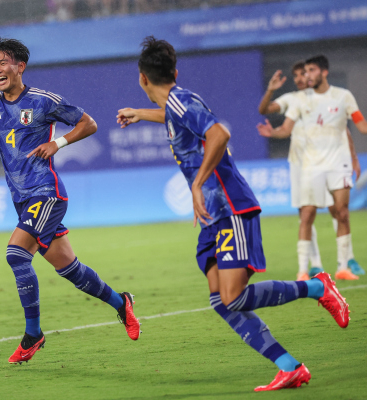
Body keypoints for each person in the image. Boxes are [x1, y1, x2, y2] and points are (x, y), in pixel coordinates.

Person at [116, 37, 350, 392]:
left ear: (142, 78)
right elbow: (175, 115)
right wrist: (140, 113)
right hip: (214, 215)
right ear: (173, 73)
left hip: (230, 207)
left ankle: (318, 287)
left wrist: (197, 184)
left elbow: (219, 133)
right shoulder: (178, 102)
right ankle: (289, 367)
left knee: (234, 297)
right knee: (220, 300)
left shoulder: (181, 101)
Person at [0, 37, 140, 364]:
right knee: (70, 270)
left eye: (2, 62)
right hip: (23, 201)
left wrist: (58, 142)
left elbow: (88, 123)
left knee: (16, 254)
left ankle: (34, 334)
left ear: (20, 66)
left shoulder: (43, 101)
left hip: (47, 194)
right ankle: (122, 303)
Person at [257, 55, 367, 281]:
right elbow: (285, 128)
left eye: (310, 70)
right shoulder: (298, 99)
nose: (306, 75)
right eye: (304, 71)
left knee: (342, 212)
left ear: (324, 72)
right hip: (310, 165)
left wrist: (354, 157)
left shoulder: (343, 96)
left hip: (338, 162)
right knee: (307, 214)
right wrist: (274, 132)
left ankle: (343, 266)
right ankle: (304, 270)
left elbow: (359, 125)